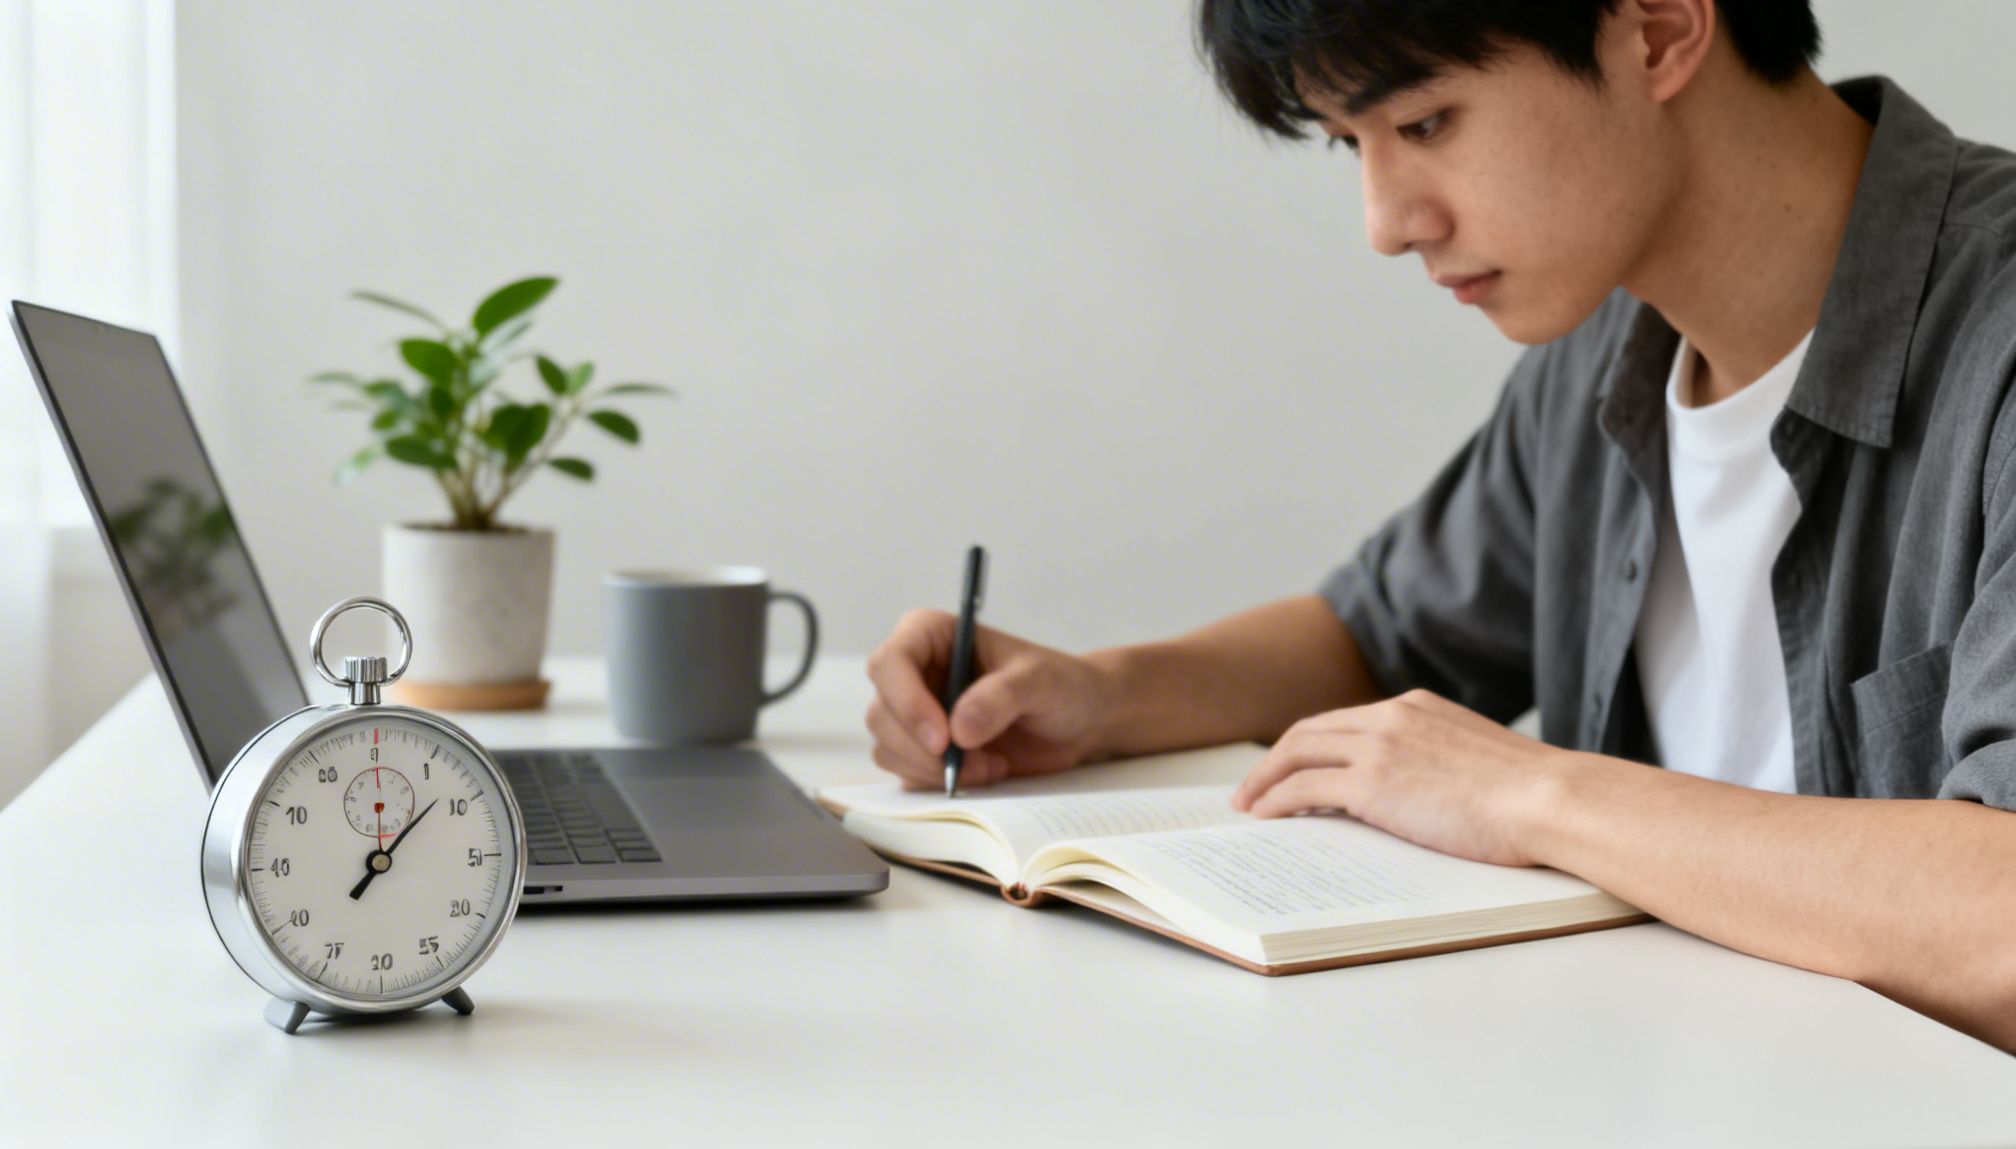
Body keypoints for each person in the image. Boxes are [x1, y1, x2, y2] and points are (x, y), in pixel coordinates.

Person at [864, 0, 2016, 1049]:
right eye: (1345, 144)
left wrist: (1529, 794)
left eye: (1422, 124)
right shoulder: (1599, 349)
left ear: (1660, 29)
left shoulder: (1995, 336)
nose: (1382, 222)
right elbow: (1376, 638)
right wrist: (1098, 696)